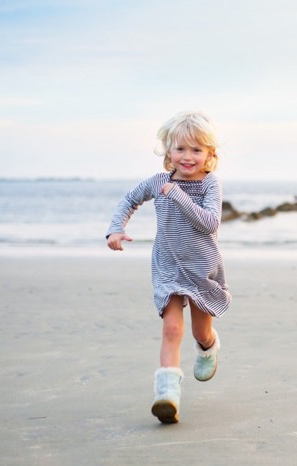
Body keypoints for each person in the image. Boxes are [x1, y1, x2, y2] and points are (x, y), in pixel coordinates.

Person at [106, 111, 232, 424]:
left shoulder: (209, 185)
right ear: (168, 152)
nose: (187, 157)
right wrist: (116, 228)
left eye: (196, 150)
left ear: (209, 154)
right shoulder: (158, 181)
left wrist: (177, 195)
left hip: (201, 269)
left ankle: (208, 346)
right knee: (171, 328)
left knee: (198, 330)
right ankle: (167, 395)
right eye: (180, 149)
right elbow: (130, 199)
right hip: (168, 268)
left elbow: (209, 222)